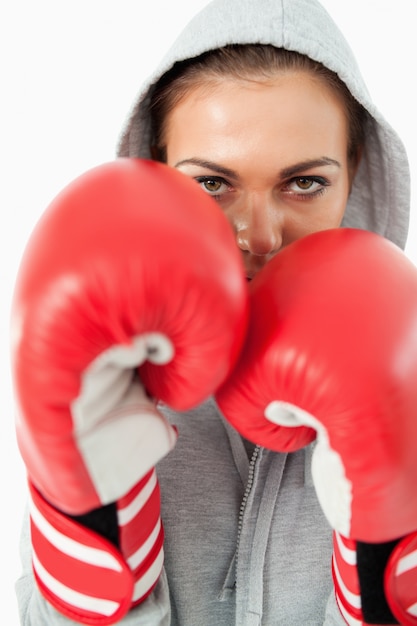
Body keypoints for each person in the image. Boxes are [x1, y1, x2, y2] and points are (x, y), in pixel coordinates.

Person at [13, 0, 411, 624]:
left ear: (353, 174)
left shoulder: (407, 371)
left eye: (303, 182)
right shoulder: (109, 378)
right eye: (211, 183)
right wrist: (86, 522)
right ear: (157, 168)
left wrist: (384, 557)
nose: (259, 237)